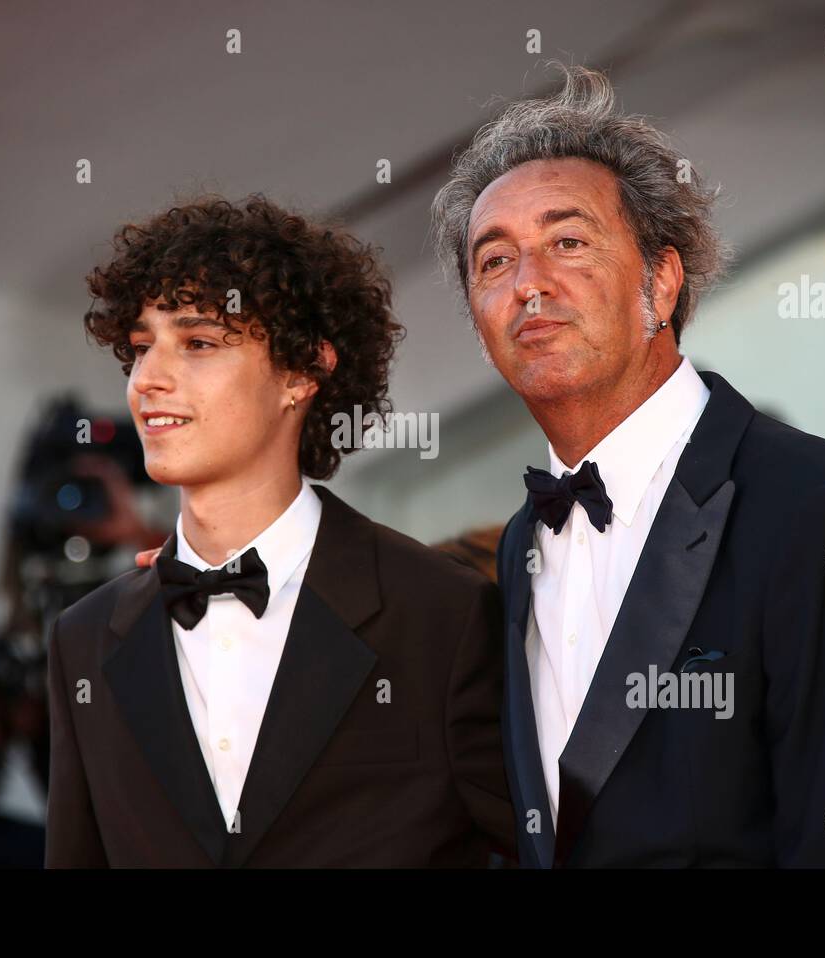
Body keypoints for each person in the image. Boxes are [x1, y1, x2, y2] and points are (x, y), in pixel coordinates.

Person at [428, 63, 825, 867]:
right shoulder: (523, 540)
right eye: (494, 262)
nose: (529, 285)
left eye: (568, 242)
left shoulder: (817, 507)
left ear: (661, 283)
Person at [44, 196, 515, 866]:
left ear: (303, 371)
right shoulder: (83, 640)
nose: (147, 380)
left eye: (198, 343)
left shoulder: (442, 612)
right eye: (142, 347)